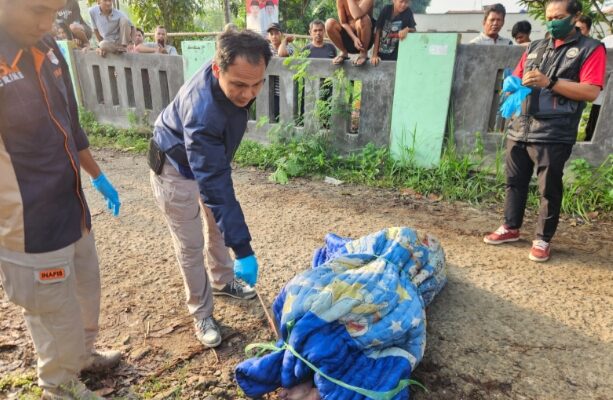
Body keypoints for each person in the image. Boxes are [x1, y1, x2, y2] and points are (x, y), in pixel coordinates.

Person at [0, 0, 124, 399]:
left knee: (86, 291)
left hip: (72, 206)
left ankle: (82, 356)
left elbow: (71, 122)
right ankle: (60, 386)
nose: (46, 22)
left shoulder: (50, 48)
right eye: (37, 10)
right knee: (53, 312)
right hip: (29, 222)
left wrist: (97, 176)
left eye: (54, 11)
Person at [149, 30, 272, 348]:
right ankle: (201, 313)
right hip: (175, 167)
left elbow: (215, 180)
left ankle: (223, 280)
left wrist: (235, 240)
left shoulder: (231, 66)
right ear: (218, 70)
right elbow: (214, 182)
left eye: (256, 84)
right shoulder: (203, 115)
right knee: (190, 245)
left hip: (207, 162)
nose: (249, 93)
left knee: (218, 226)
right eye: (240, 85)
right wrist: (244, 249)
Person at [484, 0, 606, 262]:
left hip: (554, 131)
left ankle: (542, 239)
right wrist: (511, 86)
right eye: (549, 17)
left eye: (558, 16)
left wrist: (549, 82)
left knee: (548, 189)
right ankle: (510, 227)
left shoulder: (590, 49)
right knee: (514, 182)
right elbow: (518, 76)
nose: (552, 21)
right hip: (521, 127)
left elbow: (590, 90)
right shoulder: (536, 46)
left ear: (575, 17)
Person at [326, 0, 375, 66]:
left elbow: (357, 15)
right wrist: (354, 38)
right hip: (349, 38)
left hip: (365, 39)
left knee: (364, 19)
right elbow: (343, 22)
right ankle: (344, 52)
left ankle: (363, 54)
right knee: (329, 23)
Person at [371, 0, 416, 65]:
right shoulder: (386, 9)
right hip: (381, 54)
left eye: (406, 2)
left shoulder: (408, 12)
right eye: (401, 1)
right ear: (394, 1)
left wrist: (407, 29)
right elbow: (378, 31)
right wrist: (374, 55)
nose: (403, 4)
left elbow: (414, 29)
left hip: (397, 55)